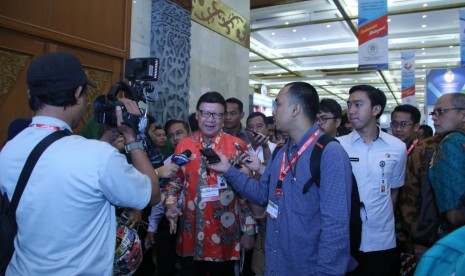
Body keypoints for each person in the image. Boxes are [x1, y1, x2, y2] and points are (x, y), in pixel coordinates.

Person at [0, 52, 159, 275]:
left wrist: (106, 139)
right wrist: (131, 138)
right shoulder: (96, 156)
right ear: (77, 93)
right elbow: (151, 193)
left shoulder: (9, 149)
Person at [208, 82, 353, 275]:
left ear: (295, 109)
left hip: (307, 268)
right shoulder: (281, 152)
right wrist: (228, 170)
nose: (273, 111)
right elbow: (261, 194)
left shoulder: (329, 153)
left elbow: (335, 230)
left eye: (278, 104)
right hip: (276, 263)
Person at [163, 92, 256, 276]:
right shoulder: (183, 146)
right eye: (205, 113)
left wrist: (249, 230)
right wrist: (170, 205)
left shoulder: (237, 147)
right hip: (190, 235)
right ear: (197, 115)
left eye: (217, 115)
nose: (210, 120)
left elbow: (246, 192)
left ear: (223, 118)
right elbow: (174, 183)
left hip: (224, 238)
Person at [337, 85, 407, 275]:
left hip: (382, 240)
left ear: (376, 110)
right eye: (349, 104)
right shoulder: (338, 146)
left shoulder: (397, 148)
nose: (351, 111)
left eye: (358, 105)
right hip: (346, 239)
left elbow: (394, 190)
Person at [145, 119, 191, 276]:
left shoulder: (201, 159)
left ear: (189, 133)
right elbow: (159, 197)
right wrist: (152, 227)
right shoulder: (167, 164)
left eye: (179, 133)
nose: (175, 138)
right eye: (171, 135)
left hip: (194, 221)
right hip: (169, 220)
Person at [429, 93, 465, 231]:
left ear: (463, 115)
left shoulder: (452, 143)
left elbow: (454, 216)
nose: (434, 117)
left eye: (441, 111)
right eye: (433, 112)